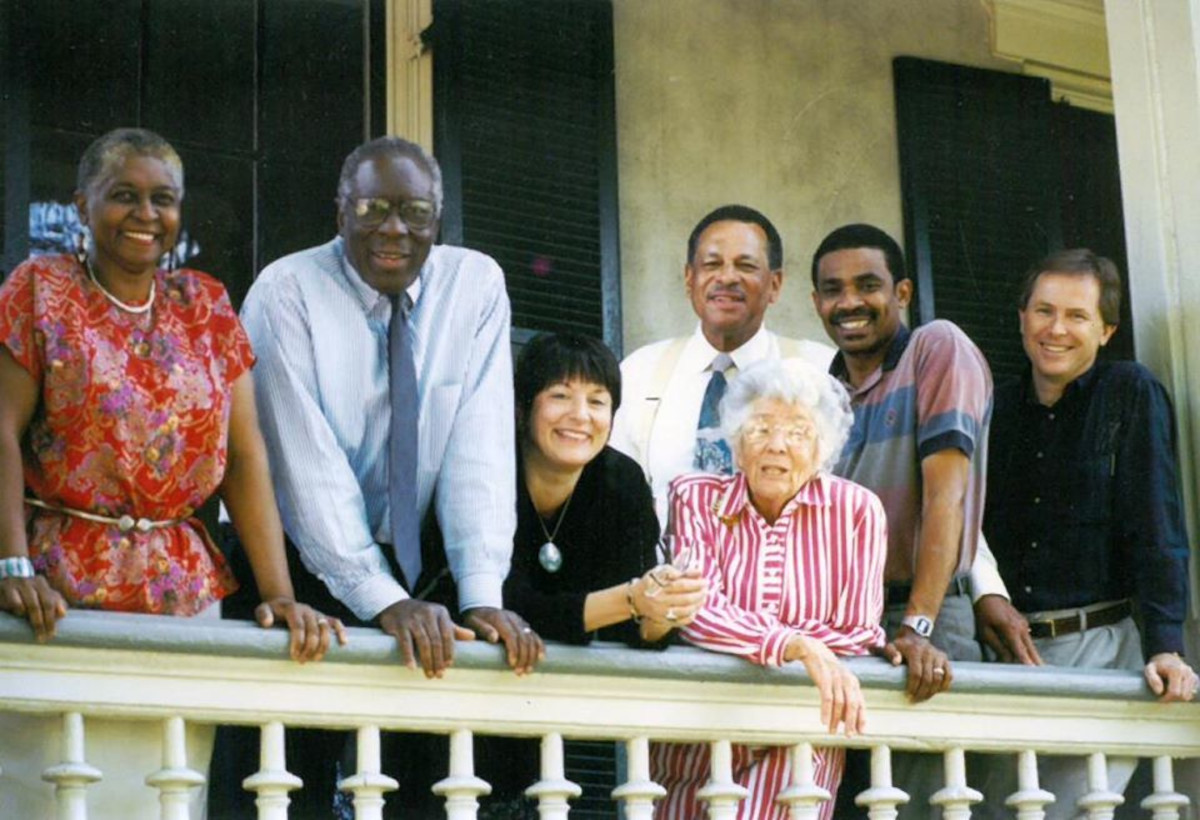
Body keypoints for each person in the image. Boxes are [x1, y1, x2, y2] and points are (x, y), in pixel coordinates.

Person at [0, 127, 344, 820]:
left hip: (182, 603)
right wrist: (12, 566)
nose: (145, 215)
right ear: (81, 205)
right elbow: (1, 429)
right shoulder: (40, 289)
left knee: (161, 798)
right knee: (52, 794)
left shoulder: (207, 306)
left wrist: (276, 592)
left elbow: (245, 459)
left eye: (163, 199)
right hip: (57, 597)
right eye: (123, 196)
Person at [220, 135, 541, 818]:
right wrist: (381, 599)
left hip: (419, 569)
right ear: (339, 212)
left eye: (415, 212)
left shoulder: (476, 284)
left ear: (438, 218)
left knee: (422, 789)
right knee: (280, 787)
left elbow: (479, 450)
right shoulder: (287, 291)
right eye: (371, 208)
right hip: (295, 569)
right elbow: (305, 471)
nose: (394, 229)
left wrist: (481, 592)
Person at [810, 223, 1031, 816]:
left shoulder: (937, 348)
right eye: (833, 289)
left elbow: (946, 500)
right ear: (815, 303)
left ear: (902, 292)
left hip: (921, 625)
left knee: (921, 806)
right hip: (850, 632)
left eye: (868, 285)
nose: (849, 302)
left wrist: (921, 626)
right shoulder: (821, 392)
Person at [982, 249, 1196, 817]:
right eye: (1043, 310)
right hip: (1004, 659)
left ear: (1106, 330)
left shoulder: (1128, 392)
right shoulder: (994, 407)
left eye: (1077, 316)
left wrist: (1166, 644)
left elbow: (1158, 524)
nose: (1056, 329)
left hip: (1099, 650)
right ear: (1021, 317)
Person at [481, 332, 707, 818]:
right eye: (560, 396)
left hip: (569, 727)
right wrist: (631, 599)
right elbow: (503, 604)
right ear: (524, 408)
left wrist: (665, 608)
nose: (580, 415)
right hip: (471, 712)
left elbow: (639, 632)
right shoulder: (485, 470)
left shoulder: (620, 482)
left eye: (597, 401)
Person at [653, 358, 886, 820]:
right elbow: (694, 611)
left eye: (798, 432)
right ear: (737, 443)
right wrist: (798, 644)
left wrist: (751, 638)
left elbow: (857, 632)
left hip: (799, 739)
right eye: (760, 428)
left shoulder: (857, 512)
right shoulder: (695, 497)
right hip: (699, 738)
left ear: (823, 447)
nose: (777, 445)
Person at [609, 204, 834, 525]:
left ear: (775, 284)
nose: (727, 277)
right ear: (690, 278)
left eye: (746, 265)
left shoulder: (818, 371)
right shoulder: (639, 373)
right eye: (712, 264)